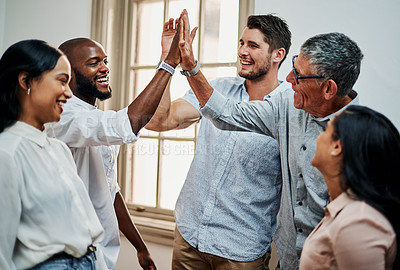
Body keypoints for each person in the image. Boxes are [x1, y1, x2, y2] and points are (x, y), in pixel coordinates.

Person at [174, 10, 363, 270]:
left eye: (298, 75)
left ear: (328, 89)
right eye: (294, 67)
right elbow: (227, 113)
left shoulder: (365, 141)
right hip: (286, 262)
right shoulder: (285, 105)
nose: (288, 79)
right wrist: (190, 67)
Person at [146, 11, 291, 269]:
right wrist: (168, 61)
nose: (243, 51)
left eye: (253, 45)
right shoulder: (219, 89)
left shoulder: (289, 109)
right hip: (190, 237)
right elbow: (160, 121)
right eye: (241, 43)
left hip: (241, 252)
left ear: (277, 55)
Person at [45, 14, 186, 270]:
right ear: (68, 74)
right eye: (93, 63)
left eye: (106, 61)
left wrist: (140, 247)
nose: (105, 68)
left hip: (99, 255)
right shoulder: (62, 117)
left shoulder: (96, 118)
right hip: (68, 257)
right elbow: (128, 122)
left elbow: (110, 190)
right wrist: (168, 64)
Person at [0, 39, 107, 269]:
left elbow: (86, 228)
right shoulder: (6, 154)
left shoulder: (59, 150)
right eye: (62, 81)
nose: (68, 93)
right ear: (25, 80)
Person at [300, 105, 399, 270]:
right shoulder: (345, 211)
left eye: (326, 130)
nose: (318, 137)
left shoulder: (358, 223)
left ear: (337, 147)